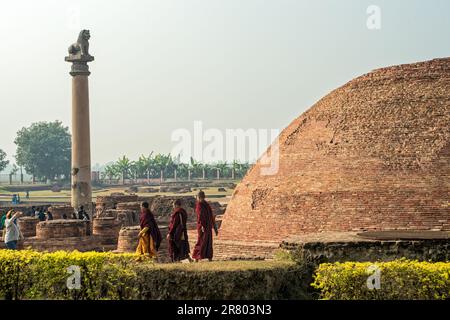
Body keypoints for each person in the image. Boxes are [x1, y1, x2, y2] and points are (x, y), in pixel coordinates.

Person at [192, 190, 218, 262]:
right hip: (207, 226)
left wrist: (202, 226)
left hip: (203, 227)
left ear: (198, 197)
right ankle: (207, 257)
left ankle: (197, 257)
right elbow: (211, 216)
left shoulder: (199, 205)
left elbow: (200, 216)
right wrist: (214, 227)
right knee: (207, 242)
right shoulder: (206, 204)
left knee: (202, 241)